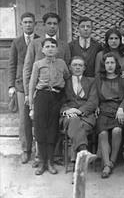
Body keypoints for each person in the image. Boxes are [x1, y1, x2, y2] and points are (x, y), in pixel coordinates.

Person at [28, 38, 70, 175]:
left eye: (53, 46)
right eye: (47, 46)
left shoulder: (62, 63)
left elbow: (67, 78)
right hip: (42, 96)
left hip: (56, 97)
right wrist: (31, 106)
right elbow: (32, 85)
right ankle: (42, 162)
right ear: (42, 49)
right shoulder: (38, 64)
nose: (50, 48)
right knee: (40, 129)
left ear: (57, 50)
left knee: (52, 128)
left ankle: (51, 162)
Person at [8, 12, 39, 164]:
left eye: (30, 22)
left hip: (38, 84)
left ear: (35, 24)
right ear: (21, 24)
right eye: (25, 22)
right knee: (24, 119)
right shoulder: (16, 42)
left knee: (39, 118)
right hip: (21, 86)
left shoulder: (41, 40)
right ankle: (26, 150)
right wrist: (11, 85)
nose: (28, 24)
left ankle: (40, 152)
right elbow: (12, 65)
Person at [95, 52, 124, 178]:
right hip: (103, 109)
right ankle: (107, 164)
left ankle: (111, 162)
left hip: (117, 110)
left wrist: (121, 108)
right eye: (107, 63)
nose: (110, 65)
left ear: (116, 64)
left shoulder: (122, 78)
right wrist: (96, 106)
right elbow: (95, 95)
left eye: (112, 63)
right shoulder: (99, 78)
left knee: (117, 131)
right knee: (103, 133)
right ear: (104, 64)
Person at [60, 56, 97, 157]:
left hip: (86, 117)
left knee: (76, 125)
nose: (77, 67)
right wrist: (67, 111)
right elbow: (60, 101)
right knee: (74, 120)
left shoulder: (91, 81)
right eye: (74, 65)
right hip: (69, 115)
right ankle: (83, 151)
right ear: (69, 67)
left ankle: (77, 158)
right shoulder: (64, 82)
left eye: (80, 65)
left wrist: (79, 111)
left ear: (84, 68)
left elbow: (93, 101)